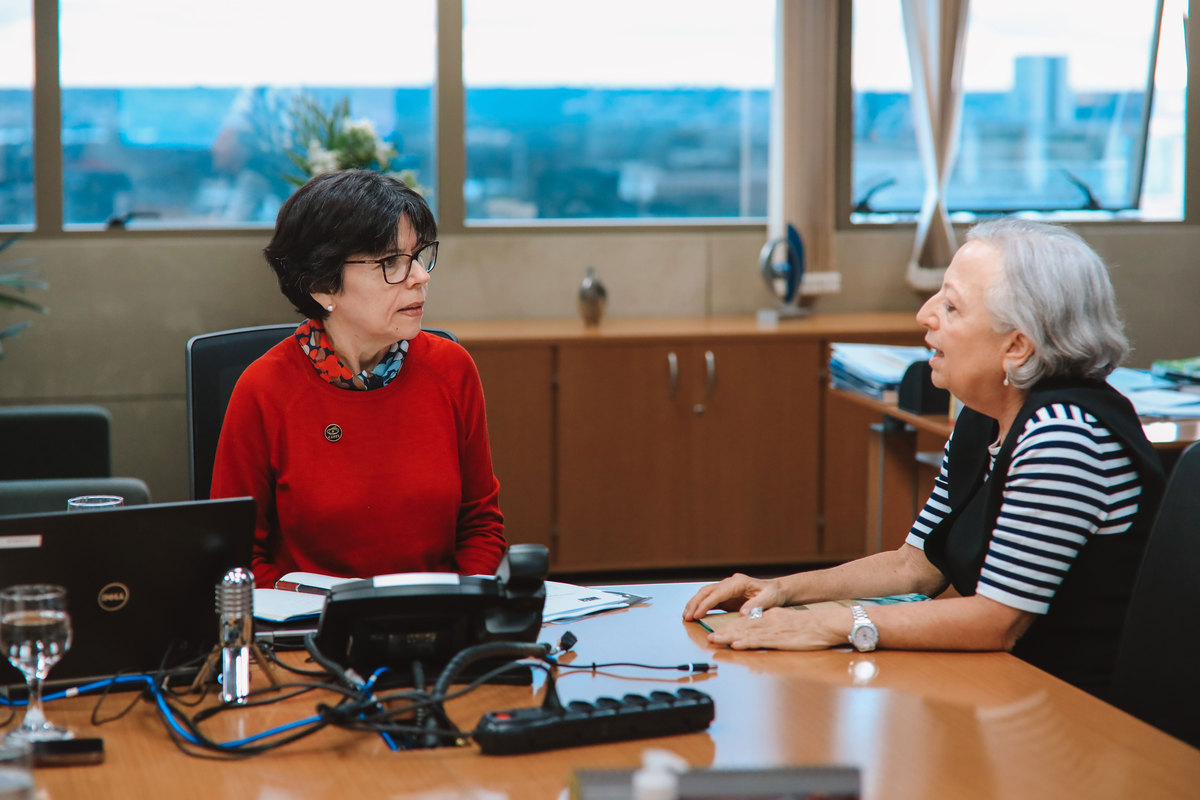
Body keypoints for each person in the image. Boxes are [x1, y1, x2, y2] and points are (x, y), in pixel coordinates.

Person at [683, 217, 1165, 698]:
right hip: (1011, 686)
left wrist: (832, 623)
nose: (925, 314)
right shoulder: (984, 418)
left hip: (1079, 706)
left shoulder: (1061, 436)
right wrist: (783, 589)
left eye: (951, 306)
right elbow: (914, 565)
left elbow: (996, 621)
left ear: (1016, 346)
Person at [211, 170, 506, 587]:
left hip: (438, 615)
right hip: (309, 620)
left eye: (418, 256)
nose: (420, 277)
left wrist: (455, 601)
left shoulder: (451, 369)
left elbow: (480, 526)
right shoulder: (263, 389)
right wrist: (328, 611)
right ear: (321, 285)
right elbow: (238, 555)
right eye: (391, 263)